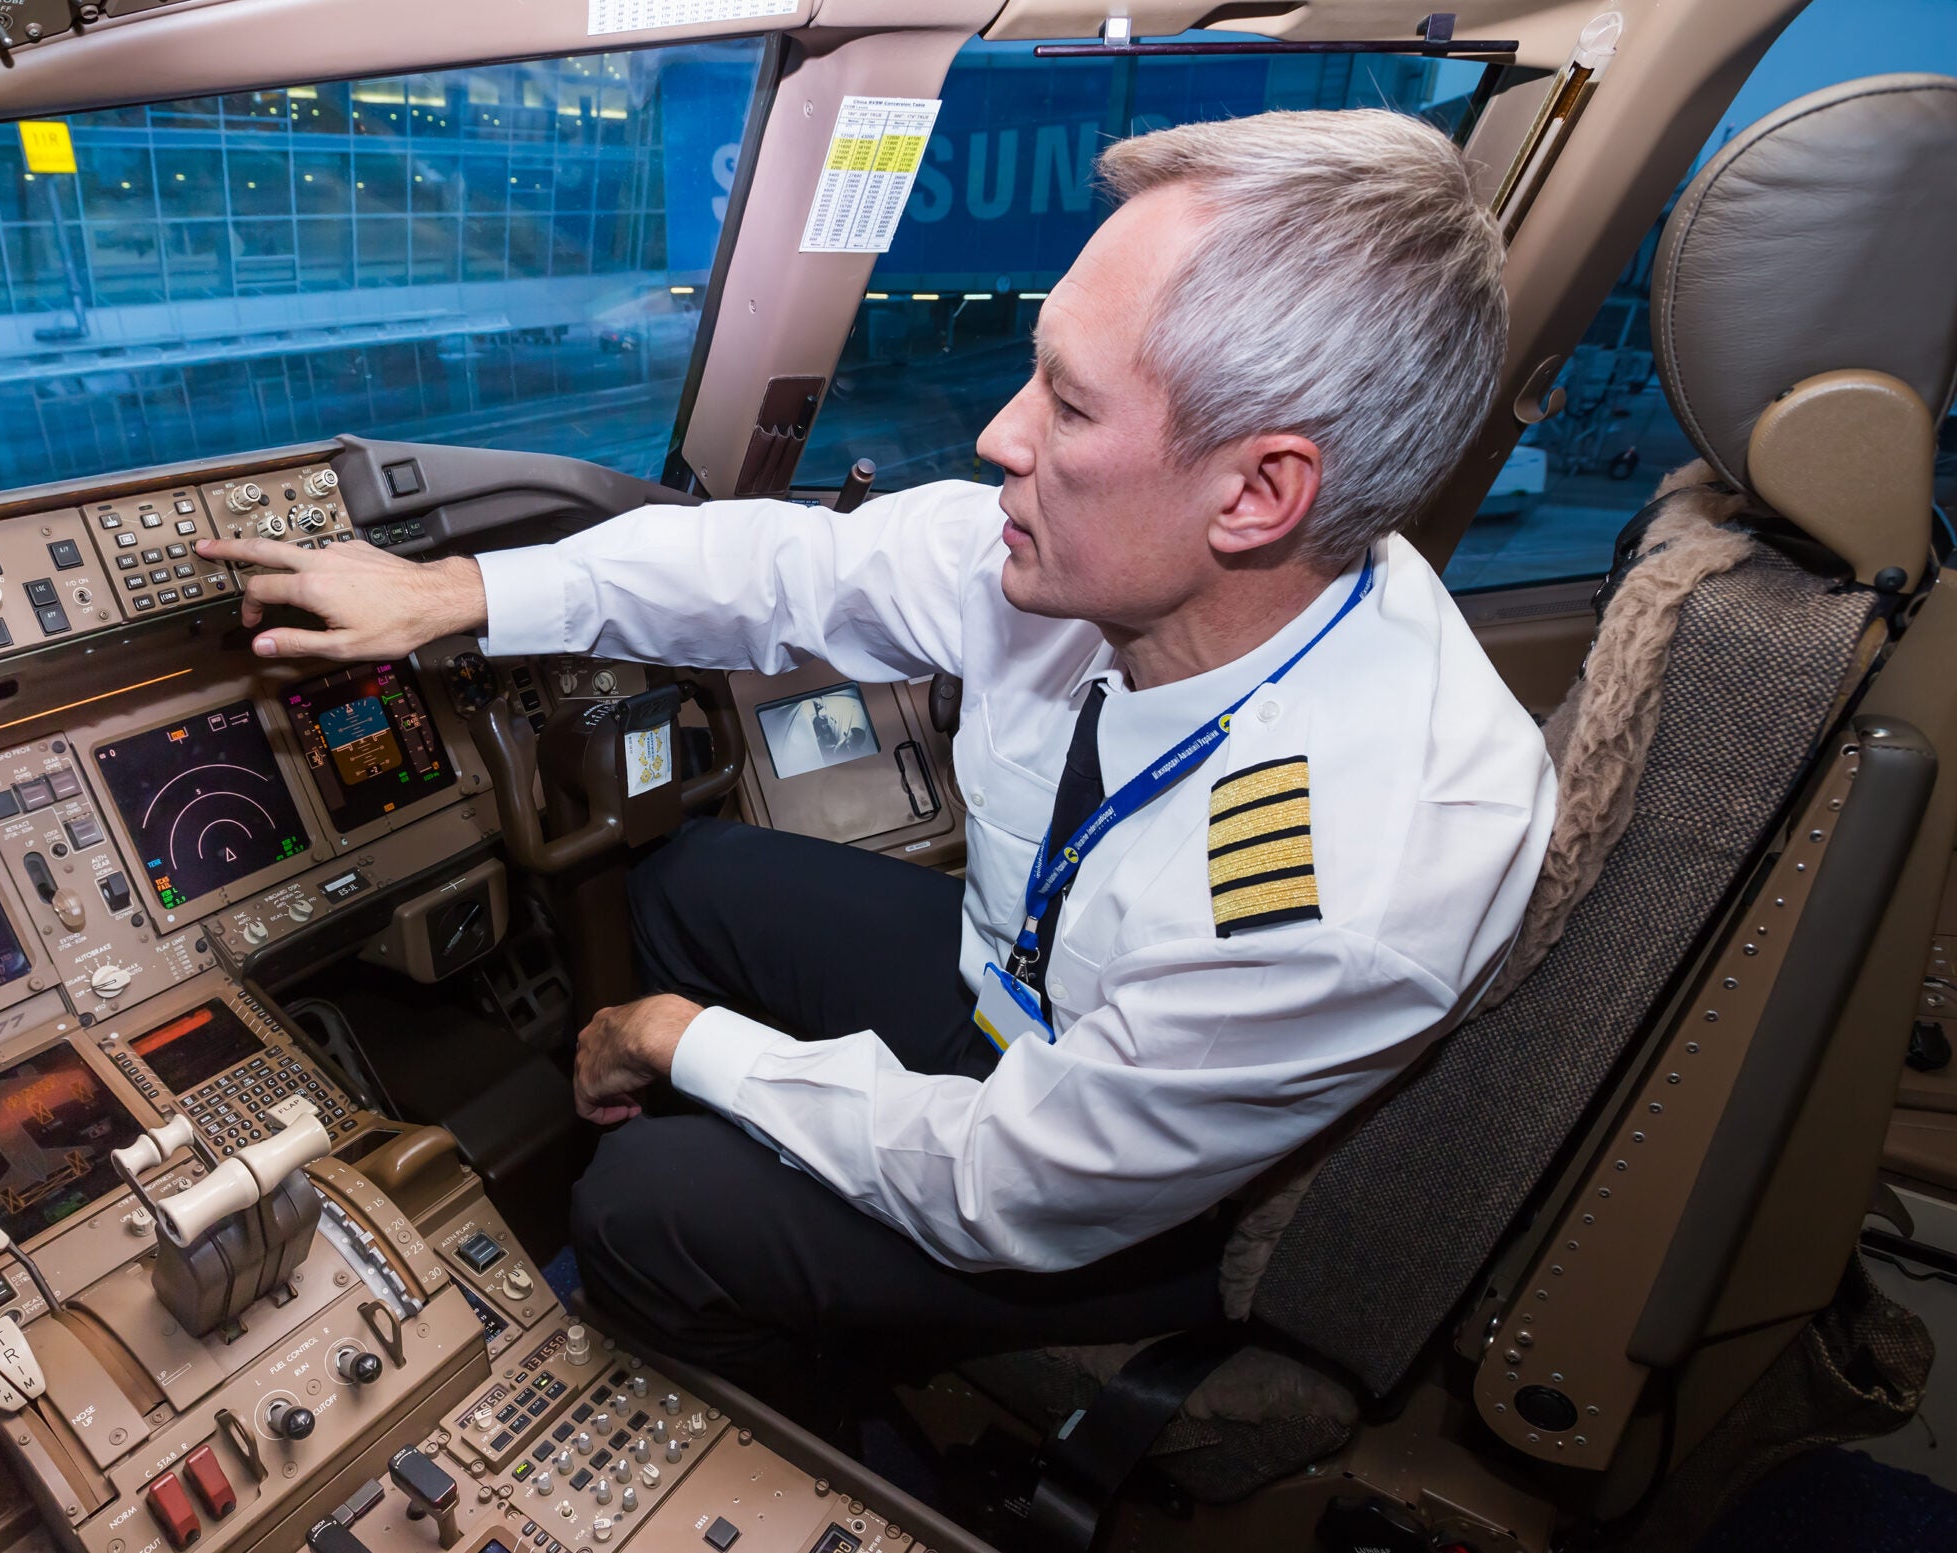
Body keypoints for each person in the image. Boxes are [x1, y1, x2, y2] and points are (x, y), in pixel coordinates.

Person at [198, 108, 1557, 1432]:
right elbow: (792, 569)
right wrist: (459, 593)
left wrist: (684, 1041)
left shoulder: (1354, 884)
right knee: (687, 884)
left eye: (1070, 406)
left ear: (1258, 494)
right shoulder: (1103, 560)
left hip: (1133, 1195)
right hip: (1020, 989)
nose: (1001, 438)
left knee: (649, 1207)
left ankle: (844, 1443)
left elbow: (1001, 1185)